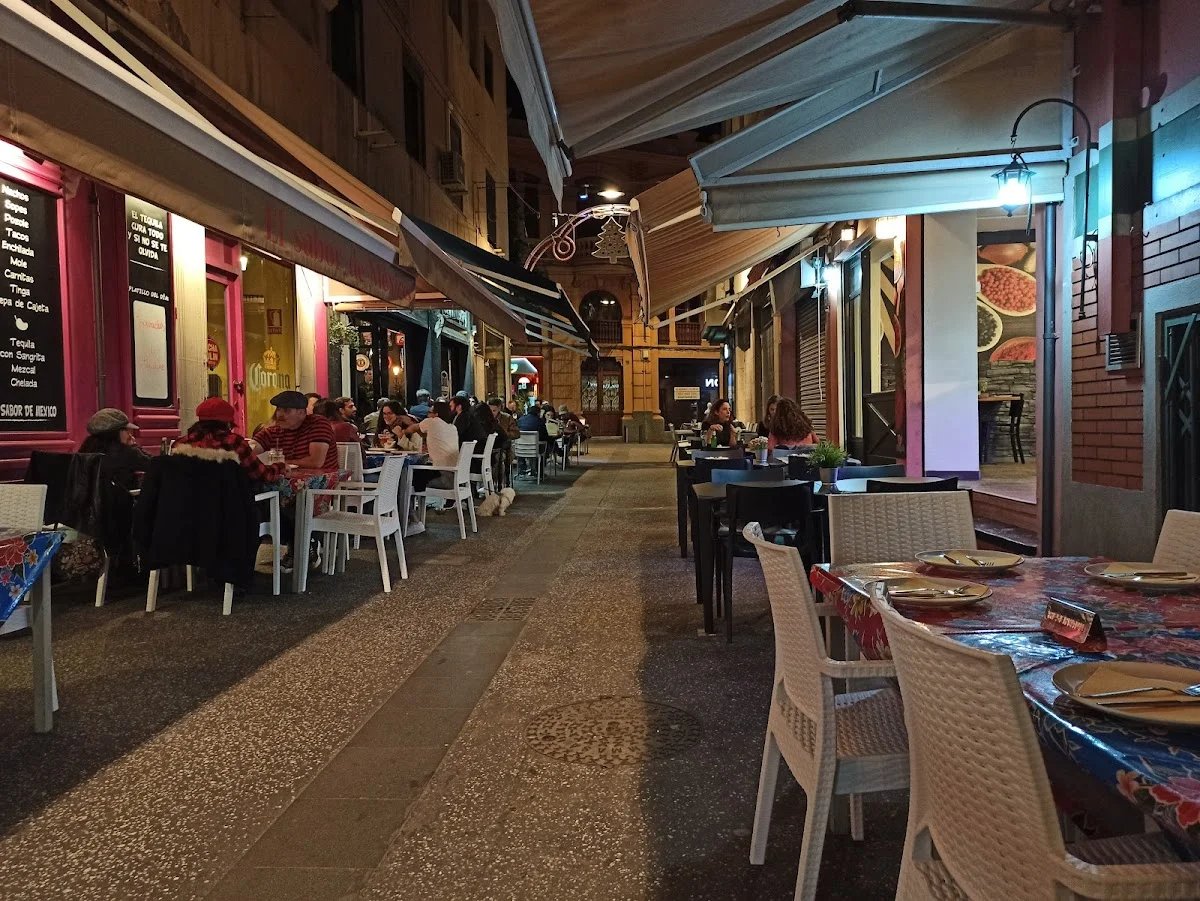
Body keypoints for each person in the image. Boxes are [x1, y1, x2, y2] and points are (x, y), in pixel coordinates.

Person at [173, 397, 283, 488]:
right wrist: (280, 467)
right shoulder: (234, 442)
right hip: (230, 504)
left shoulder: (180, 444)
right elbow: (263, 475)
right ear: (228, 423)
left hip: (190, 504)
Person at [253, 390, 338, 471]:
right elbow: (251, 449)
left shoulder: (317, 424)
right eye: (278, 409)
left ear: (301, 412)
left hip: (322, 479)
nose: (280, 414)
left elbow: (315, 462)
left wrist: (281, 463)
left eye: (286, 410)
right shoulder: (274, 431)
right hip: (287, 479)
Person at [79, 408, 152, 489]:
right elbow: (153, 465)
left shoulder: (86, 449)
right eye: (126, 430)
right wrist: (134, 446)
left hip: (90, 497)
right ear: (117, 432)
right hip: (121, 496)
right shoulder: (127, 453)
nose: (129, 434)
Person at [398, 400, 460, 491]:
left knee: (406, 476)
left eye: (429, 412)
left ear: (436, 414)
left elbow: (412, 429)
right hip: (454, 476)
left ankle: (403, 500)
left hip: (441, 476)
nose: (427, 415)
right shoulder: (452, 427)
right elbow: (423, 433)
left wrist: (400, 432)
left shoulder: (432, 421)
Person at [315, 399, 364, 465]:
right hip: (344, 468)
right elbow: (361, 452)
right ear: (337, 412)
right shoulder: (346, 427)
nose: (355, 409)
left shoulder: (312, 429)